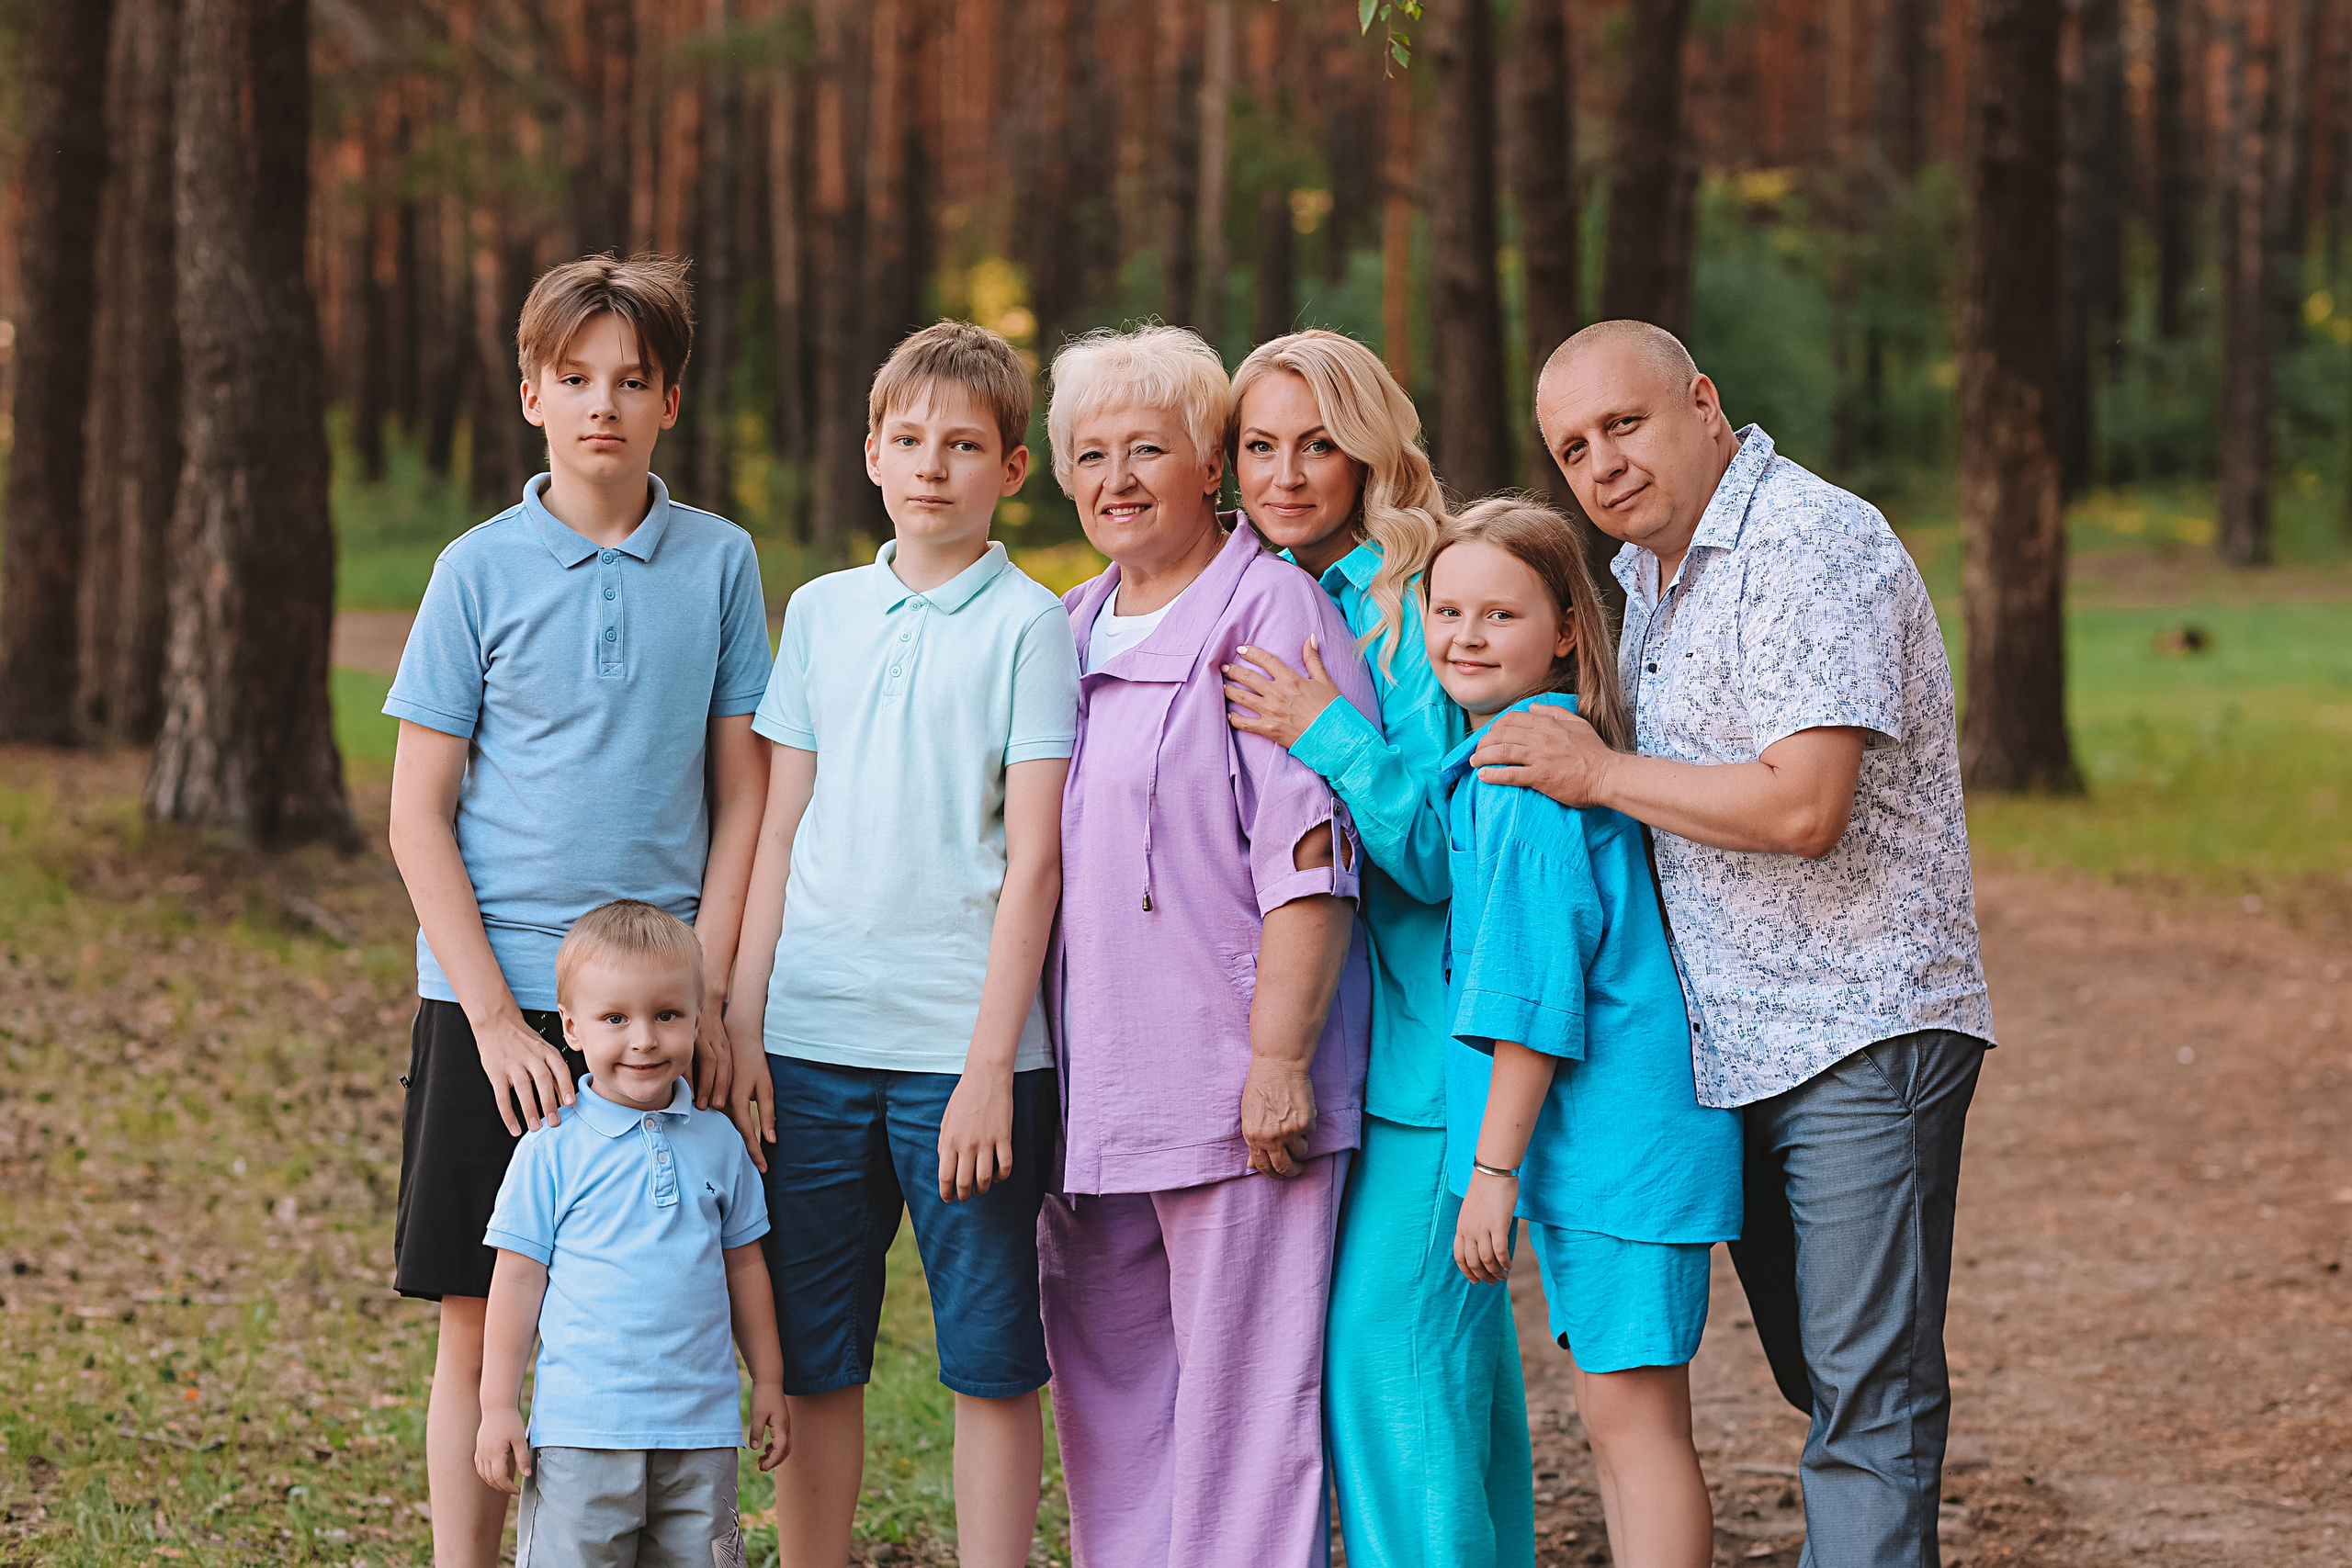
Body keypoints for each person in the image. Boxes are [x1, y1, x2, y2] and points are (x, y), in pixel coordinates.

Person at [1476, 319, 1996, 1566]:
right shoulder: (1648, 576)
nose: (1601, 461)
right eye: (1573, 446)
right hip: (1733, 1049)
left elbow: (1802, 806)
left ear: (1704, 403)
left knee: (1869, 1395)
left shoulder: (1813, 546)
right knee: (1828, 1370)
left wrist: (1600, 773)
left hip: (1862, 1025)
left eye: (1625, 423)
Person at [383, 254, 773, 1568]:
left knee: (665, 1281)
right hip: (487, 1002)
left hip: (653, 1002)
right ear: (532, 391)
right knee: (477, 1304)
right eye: (575, 377)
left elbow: (741, 796)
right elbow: (416, 811)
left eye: (632, 379)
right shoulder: (475, 568)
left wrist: (710, 995)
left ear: (671, 398)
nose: (602, 403)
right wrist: (495, 1017)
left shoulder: (720, 560)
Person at [723, 321, 1078, 1568]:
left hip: (963, 1056)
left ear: (1012, 470)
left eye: (965, 445)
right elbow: (775, 827)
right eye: (911, 440)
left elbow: (1035, 858)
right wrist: (742, 1022)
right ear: (873, 451)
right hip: (810, 1041)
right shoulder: (820, 611)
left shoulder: (1034, 627)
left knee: (989, 1354)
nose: (934, 466)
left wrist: (991, 1063)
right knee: (814, 1350)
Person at [1036, 324, 1375, 1568]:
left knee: (1245, 1419)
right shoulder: (1064, 628)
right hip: (1089, 1092)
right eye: (1089, 454)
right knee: (1112, 1400)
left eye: (1146, 448)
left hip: (1240, 1090)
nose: (1115, 478)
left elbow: (1311, 854)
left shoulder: (1265, 606)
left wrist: (1278, 1054)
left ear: (1206, 464)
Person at [1218, 330, 1533, 1568]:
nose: (1287, 473)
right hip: (1358, 1057)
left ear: (1369, 452)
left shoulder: (1419, 606)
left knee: (1386, 1363)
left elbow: (1452, 856)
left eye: (1320, 444)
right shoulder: (1258, 592)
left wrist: (1330, 731)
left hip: (1434, 1059)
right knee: (1455, 1375)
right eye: (1259, 445)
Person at [1430, 499, 1741, 1568]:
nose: (1466, 636)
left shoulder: (1530, 784)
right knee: (1618, 1423)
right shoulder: (1515, 760)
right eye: (1447, 609)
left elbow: (1533, 1007)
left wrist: (1491, 1173)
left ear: (1565, 628)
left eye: (1499, 614)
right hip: (1600, 1156)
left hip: (1624, 1153)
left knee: (1635, 1428)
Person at [474, 900, 786, 1568]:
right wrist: (499, 1403)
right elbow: (518, 1278)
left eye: (666, 1014)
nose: (643, 1038)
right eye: (616, 1018)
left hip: (700, 1434)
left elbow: (745, 1267)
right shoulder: (552, 1145)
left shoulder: (719, 1140)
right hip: (581, 1435)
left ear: (698, 1019)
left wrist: (768, 1379)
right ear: (573, 1027)